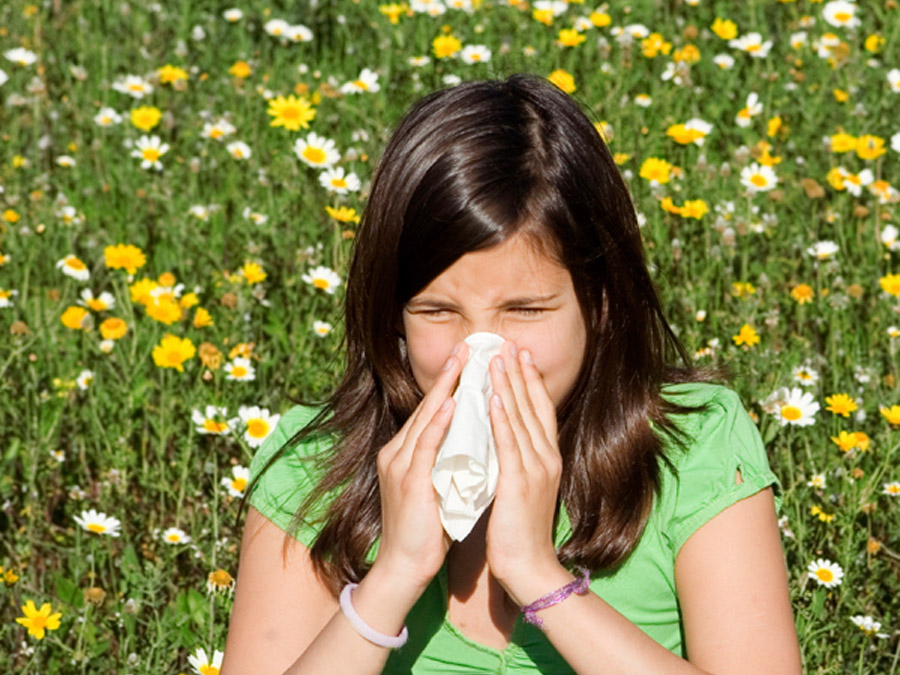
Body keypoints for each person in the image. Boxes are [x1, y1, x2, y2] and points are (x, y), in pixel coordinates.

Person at [222, 73, 802, 674]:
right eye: (438, 312)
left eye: (525, 310)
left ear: (600, 302)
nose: (482, 354)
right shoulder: (314, 471)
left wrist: (535, 572)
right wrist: (394, 574)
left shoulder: (694, 449)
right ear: (392, 313)